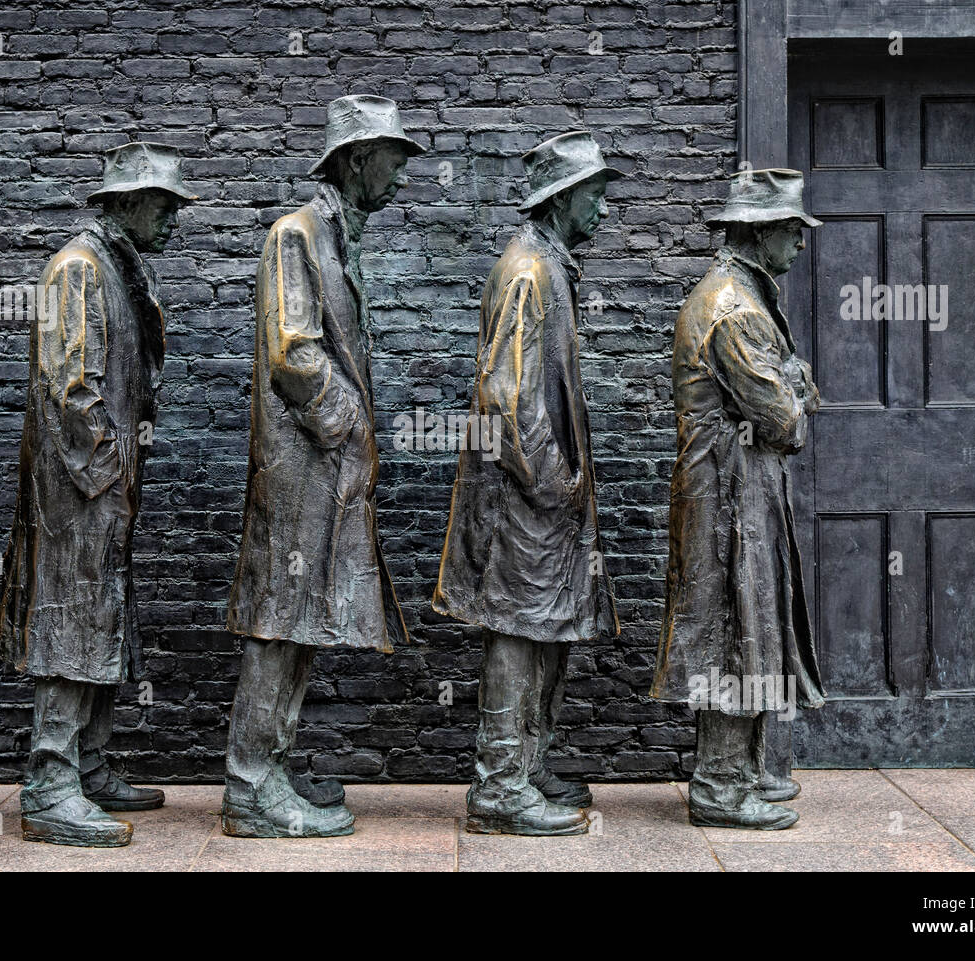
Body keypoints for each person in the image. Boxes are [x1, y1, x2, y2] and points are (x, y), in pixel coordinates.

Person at [222, 95, 424, 838]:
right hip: (300, 468)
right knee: (280, 619)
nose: (400, 174)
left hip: (324, 470)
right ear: (353, 159)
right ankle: (249, 786)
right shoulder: (295, 235)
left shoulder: (337, 238)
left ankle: (271, 764)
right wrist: (349, 424)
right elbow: (293, 352)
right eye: (392, 157)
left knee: (303, 619)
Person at [0, 142, 194, 846]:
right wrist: (106, 469)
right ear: (128, 202)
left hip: (103, 485)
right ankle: (50, 781)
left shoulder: (115, 264)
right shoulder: (79, 268)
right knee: (70, 621)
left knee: (101, 616)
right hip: (81, 489)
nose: (172, 218)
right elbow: (72, 386)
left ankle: (89, 758)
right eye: (164, 205)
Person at [433, 131, 623, 836]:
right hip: (525, 498)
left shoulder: (547, 265)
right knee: (517, 631)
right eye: (595, 195)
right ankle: (500, 784)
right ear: (563, 197)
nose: (603, 210)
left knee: (546, 627)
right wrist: (554, 482)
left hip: (542, 495)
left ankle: (528, 762)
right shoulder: (529, 272)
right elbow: (507, 398)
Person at [651, 168, 826, 829]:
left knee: (750, 630)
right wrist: (794, 391)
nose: (801, 243)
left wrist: (789, 386)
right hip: (729, 499)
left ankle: (744, 772)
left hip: (743, 491)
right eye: (791, 230)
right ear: (759, 234)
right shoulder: (734, 308)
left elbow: (785, 394)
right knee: (733, 634)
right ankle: (720, 789)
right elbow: (785, 421)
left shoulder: (747, 293)